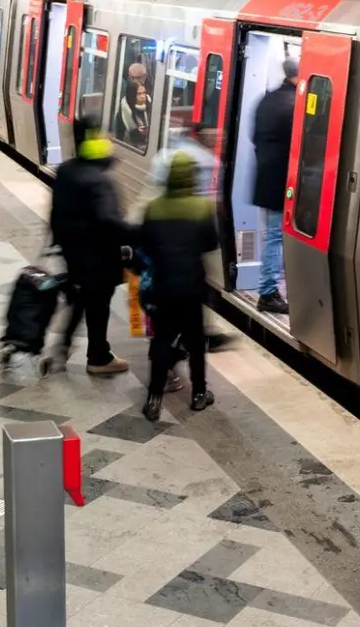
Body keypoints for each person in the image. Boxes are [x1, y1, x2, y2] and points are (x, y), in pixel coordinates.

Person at [139, 152, 221, 421]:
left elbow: (145, 243)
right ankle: (199, 394)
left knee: (162, 341)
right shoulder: (202, 208)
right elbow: (211, 243)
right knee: (196, 343)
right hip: (192, 287)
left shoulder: (153, 208)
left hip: (163, 286)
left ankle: (153, 399)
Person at [50, 114, 131, 376]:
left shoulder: (66, 170)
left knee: (82, 298)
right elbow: (109, 221)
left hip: (73, 254)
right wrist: (136, 235)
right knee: (98, 306)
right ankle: (98, 358)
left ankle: (63, 346)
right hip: (99, 257)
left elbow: (55, 215)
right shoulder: (98, 181)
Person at [152, 123, 234, 353]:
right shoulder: (208, 161)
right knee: (200, 287)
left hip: (166, 249)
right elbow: (211, 236)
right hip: (193, 244)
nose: (218, 139)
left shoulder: (163, 157)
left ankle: (168, 341)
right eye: (213, 134)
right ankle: (197, 337)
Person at [251, 58, 298, 314]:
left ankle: (272, 288)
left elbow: (254, 137)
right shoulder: (293, 104)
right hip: (283, 180)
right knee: (276, 235)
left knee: (275, 234)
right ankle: (268, 292)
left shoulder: (268, 99)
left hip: (268, 175)